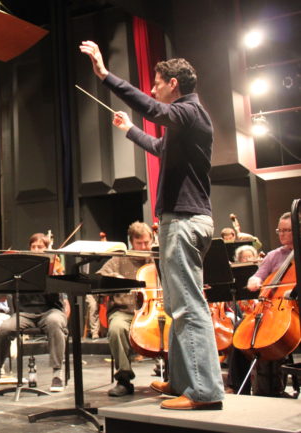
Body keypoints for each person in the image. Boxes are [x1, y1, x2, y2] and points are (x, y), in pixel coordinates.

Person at [80, 41, 224, 410]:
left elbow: (153, 110)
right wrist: (129, 128)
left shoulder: (189, 111)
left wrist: (105, 76)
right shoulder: (187, 120)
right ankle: (181, 382)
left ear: (173, 84)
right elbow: (160, 148)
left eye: (157, 83)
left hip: (185, 220)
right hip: (184, 220)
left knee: (188, 307)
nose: (153, 89)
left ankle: (204, 391)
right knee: (177, 305)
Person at [0, 233, 69, 392]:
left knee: (55, 322)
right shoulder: (23, 268)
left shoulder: (54, 266)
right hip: (26, 314)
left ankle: (57, 373)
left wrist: (56, 277)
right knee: (4, 329)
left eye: (40, 247)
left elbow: (62, 297)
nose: (36, 250)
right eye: (33, 247)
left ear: (46, 249)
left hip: (51, 311)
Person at [97, 222, 154, 397]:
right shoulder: (119, 260)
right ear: (131, 242)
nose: (144, 247)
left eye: (146, 243)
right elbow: (101, 275)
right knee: (116, 329)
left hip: (151, 312)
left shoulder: (156, 260)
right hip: (124, 312)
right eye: (139, 243)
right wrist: (117, 278)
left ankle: (172, 378)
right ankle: (124, 379)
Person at [245, 211, 294, 397]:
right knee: (251, 336)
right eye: (279, 230)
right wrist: (254, 280)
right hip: (273, 309)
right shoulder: (274, 255)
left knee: (273, 336)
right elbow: (258, 275)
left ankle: (275, 387)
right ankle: (263, 390)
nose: (282, 234)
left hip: (293, 308)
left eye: (287, 230)